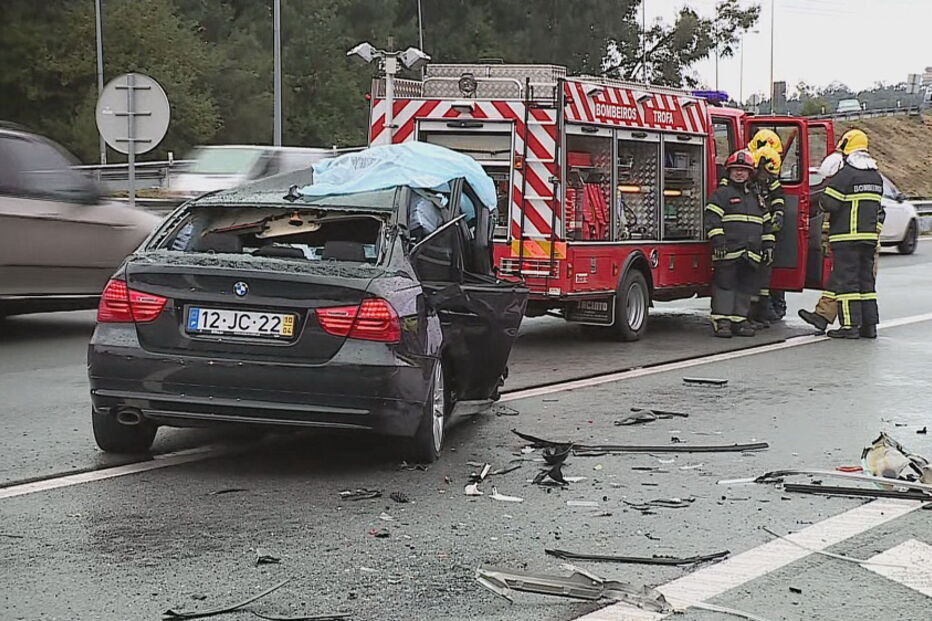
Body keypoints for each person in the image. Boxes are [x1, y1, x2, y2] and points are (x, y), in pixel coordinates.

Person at [807, 129, 883, 339]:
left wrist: (821, 198)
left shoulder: (847, 174)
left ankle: (850, 326)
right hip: (868, 239)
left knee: (848, 284)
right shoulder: (875, 176)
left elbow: (829, 203)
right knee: (866, 284)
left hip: (846, 238)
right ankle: (869, 326)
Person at [705, 149, 774, 338]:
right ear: (729, 172)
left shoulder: (756, 198)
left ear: (750, 173)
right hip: (727, 251)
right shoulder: (722, 194)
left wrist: (768, 246)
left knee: (746, 287)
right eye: (735, 170)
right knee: (725, 286)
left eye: (743, 170)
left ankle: (739, 320)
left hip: (751, 253)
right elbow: (712, 219)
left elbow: (766, 224)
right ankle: (722, 321)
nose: (739, 173)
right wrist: (718, 240)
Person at [747, 145, 784, 328]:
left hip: (765, 229)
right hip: (748, 233)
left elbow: (778, 196)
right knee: (749, 275)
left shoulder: (769, 180)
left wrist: (778, 212)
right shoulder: (746, 181)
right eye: (767, 173)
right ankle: (749, 314)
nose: (769, 178)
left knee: (763, 274)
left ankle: (761, 312)